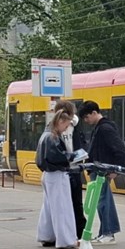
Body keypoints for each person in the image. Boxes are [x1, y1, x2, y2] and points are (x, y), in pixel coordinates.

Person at [78, 100, 125, 245]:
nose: (86, 121)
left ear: (94, 113)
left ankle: (108, 233)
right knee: (101, 201)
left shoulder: (105, 128)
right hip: (99, 169)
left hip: (102, 170)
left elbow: (119, 149)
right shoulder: (101, 127)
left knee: (103, 201)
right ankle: (104, 232)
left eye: (87, 117)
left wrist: (116, 169)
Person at [35, 108, 79, 249]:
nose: (66, 129)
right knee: (62, 208)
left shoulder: (46, 135)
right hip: (57, 174)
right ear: (60, 121)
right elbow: (58, 157)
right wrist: (72, 156)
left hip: (48, 175)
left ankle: (46, 236)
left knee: (48, 208)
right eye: (66, 125)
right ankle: (66, 240)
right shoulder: (52, 137)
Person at [53, 100, 87, 239]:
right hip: (66, 168)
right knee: (71, 202)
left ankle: (77, 231)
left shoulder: (75, 125)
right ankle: (73, 232)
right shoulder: (55, 128)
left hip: (72, 167)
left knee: (73, 202)